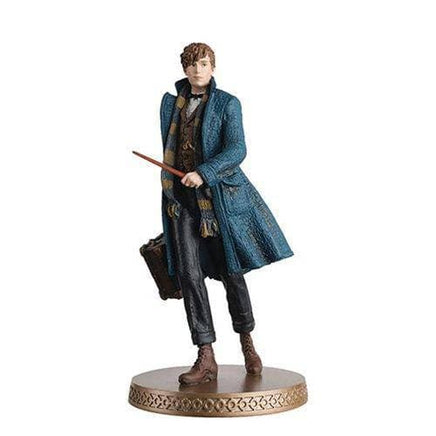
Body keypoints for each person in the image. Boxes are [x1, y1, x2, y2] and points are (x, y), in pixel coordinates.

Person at [160, 43, 294, 385]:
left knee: (231, 271)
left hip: (219, 201)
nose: (197, 70)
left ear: (213, 67)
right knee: (189, 275)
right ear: (184, 69)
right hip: (181, 201)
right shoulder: (171, 105)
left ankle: (247, 341)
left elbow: (237, 149)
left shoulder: (227, 104)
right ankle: (205, 354)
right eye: (191, 65)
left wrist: (204, 172)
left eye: (203, 63)